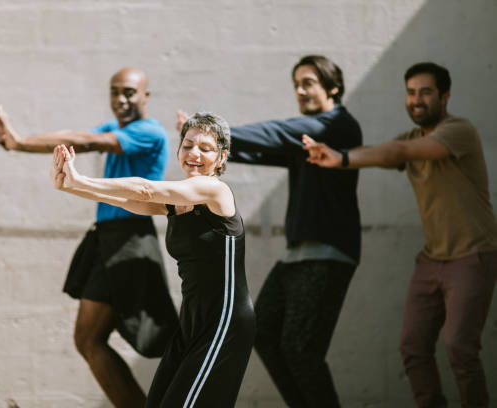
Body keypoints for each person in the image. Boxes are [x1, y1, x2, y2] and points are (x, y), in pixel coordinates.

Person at [303, 62, 497, 408]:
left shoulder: (458, 131)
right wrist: (334, 156)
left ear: (444, 97)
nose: (416, 100)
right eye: (410, 93)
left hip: (472, 256)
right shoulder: (409, 138)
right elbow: (381, 153)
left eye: (425, 92)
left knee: (459, 347)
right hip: (431, 260)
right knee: (413, 347)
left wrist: (341, 158)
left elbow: (399, 154)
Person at [177, 55, 362, 407]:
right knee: (264, 337)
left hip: (328, 253)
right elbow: (265, 148)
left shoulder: (337, 126)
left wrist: (215, 134)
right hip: (298, 254)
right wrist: (214, 151)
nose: (300, 90)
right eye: (296, 84)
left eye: (308, 82)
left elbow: (275, 133)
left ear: (333, 88)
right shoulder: (307, 141)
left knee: (300, 350)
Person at [0, 67, 178, 408]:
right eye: (115, 91)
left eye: (129, 92)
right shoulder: (115, 127)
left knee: (91, 339)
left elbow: (90, 142)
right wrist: (19, 145)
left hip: (130, 239)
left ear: (146, 97)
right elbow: (73, 136)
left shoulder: (149, 131)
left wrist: (21, 141)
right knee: (88, 340)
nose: (121, 99)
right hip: (107, 237)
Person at [50, 112, 256, 407]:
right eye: (187, 145)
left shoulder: (214, 190)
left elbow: (144, 188)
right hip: (192, 321)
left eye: (205, 148)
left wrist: (81, 177)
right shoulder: (179, 202)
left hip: (224, 320)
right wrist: (72, 185)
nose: (194, 154)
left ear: (221, 158)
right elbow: (131, 201)